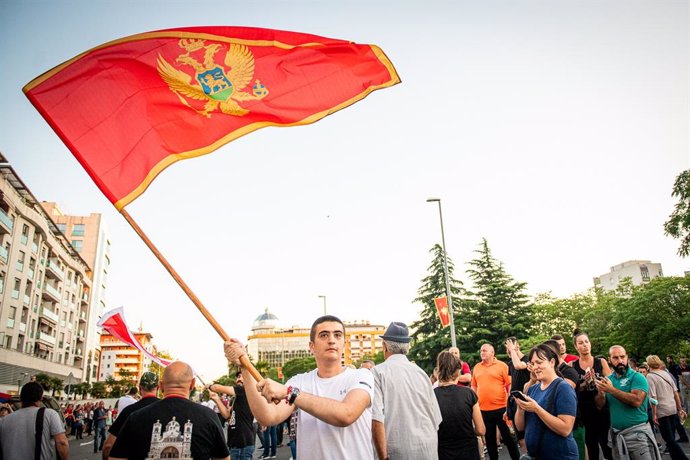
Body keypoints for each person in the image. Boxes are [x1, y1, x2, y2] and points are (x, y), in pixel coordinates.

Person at [224, 315, 375, 459]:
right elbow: (268, 416)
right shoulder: (299, 382)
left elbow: (346, 414)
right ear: (312, 346)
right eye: (323, 335)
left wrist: (290, 393)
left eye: (337, 335)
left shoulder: (361, 376)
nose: (331, 340)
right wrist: (244, 367)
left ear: (344, 343)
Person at [109, 361, 230, 460]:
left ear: (161, 386)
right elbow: (223, 458)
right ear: (192, 384)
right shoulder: (209, 417)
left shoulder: (135, 417)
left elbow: (115, 457)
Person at [371, 322, 443, 460]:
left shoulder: (377, 373)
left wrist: (382, 457)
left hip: (397, 452)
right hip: (427, 450)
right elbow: (436, 418)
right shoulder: (421, 373)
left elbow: (376, 420)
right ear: (407, 347)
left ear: (385, 346)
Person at [595, 345, 661, 460]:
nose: (620, 361)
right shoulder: (609, 380)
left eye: (622, 357)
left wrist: (611, 390)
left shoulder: (637, 377)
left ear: (627, 357)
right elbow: (600, 406)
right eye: (615, 358)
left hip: (637, 436)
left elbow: (637, 401)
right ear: (609, 360)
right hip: (617, 436)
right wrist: (601, 393)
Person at [514, 344, 578, 460]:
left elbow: (565, 429)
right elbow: (520, 427)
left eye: (539, 362)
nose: (535, 367)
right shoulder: (532, 389)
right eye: (533, 364)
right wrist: (520, 408)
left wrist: (536, 409)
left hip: (561, 455)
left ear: (552, 362)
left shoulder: (563, 388)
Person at [471, 343, 521, 460]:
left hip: (502, 409)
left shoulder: (502, 366)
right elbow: (474, 386)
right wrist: (475, 403)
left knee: (508, 438)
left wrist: (510, 404)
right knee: (490, 440)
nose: (482, 352)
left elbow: (509, 385)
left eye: (485, 350)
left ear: (492, 353)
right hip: (483, 410)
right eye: (481, 350)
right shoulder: (477, 367)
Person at [434, 350, 485, 459]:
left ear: (438, 372)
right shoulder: (468, 393)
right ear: (458, 372)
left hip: (443, 451)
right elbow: (481, 429)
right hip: (468, 451)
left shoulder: (431, 396)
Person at [571, 329, 613, 460]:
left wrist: (600, 383)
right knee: (591, 447)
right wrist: (584, 383)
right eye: (581, 343)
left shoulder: (601, 362)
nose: (584, 345)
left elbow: (612, 383)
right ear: (575, 346)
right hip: (584, 412)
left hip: (602, 409)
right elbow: (570, 390)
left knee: (608, 447)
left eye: (586, 341)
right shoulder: (572, 365)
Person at [0, 381, 69, 460]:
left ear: (21, 398)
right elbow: (62, 442)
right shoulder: (49, 414)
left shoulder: (4, 420)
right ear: (41, 398)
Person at [102, 371, 160, 460]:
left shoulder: (128, 411)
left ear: (140, 388)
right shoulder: (167, 409)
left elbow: (109, 446)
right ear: (158, 387)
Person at [645, 355, 688, 460]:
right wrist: (679, 408)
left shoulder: (650, 376)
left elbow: (653, 398)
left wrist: (654, 414)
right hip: (672, 407)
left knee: (668, 439)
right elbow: (676, 392)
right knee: (671, 437)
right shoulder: (665, 373)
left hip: (661, 410)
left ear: (649, 364)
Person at [207, 370, 256, 460]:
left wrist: (210, 386)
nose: (239, 379)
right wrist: (217, 399)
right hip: (235, 444)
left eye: (242, 376)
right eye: (238, 377)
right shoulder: (237, 398)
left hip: (243, 444)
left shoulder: (245, 390)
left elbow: (217, 387)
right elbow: (226, 415)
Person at [505, 336, 530, 448]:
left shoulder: (527, 359)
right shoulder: (510, 363)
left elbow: (518, 365)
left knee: (526, 434)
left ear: (517, 346)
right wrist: (507, 407)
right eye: (507, 347)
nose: (508, 350)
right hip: (514, 401)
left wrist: (513, 350)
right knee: (519, 437)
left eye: (510, 346)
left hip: (526, 400)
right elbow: (512, 384)